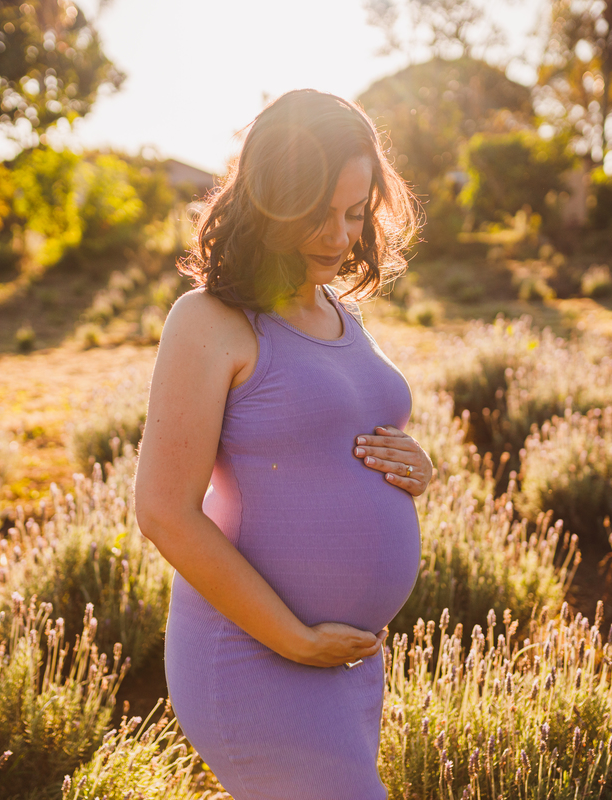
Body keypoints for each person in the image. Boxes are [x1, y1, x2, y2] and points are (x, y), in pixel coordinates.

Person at [133, 89, 433, 800]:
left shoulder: (341, 310)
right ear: (269, 201)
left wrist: (415, 468)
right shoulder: (209, 320)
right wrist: (293, 639)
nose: (338, 235)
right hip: (254, 651)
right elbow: (164, 511)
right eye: (315, 213)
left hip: (346, 658)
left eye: (354, 212)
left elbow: (330, 442)